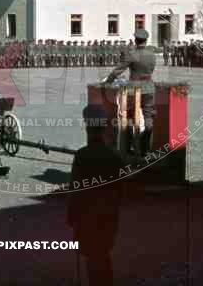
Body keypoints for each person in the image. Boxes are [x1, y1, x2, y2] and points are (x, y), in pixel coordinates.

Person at [67, 105, 127, 286]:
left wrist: (71, 216)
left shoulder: (81, 155)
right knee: (102, 254)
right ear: (104, 129)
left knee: (92, 258)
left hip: (86, 216)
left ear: (87, 128)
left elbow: (75, 190)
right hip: (108, 214)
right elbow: (121, 189)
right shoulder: (115, 156)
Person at [104, 29, 156, 157]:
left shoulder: (132, 54)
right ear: (146, 40)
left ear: (135, 40)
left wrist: (108, 81)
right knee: (149, 117)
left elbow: (119, 70)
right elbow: (150, 70)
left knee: (128, 117)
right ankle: (145, 146)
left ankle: (127, 146)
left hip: (134, 89)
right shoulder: (152, 54)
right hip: (149, 87)